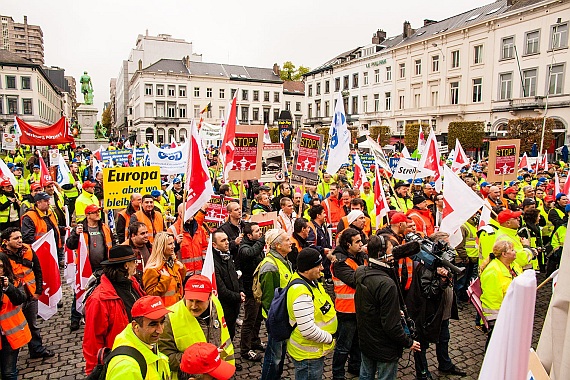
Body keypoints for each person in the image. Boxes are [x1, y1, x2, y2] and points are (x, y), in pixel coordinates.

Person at [355, 235, 421, 380]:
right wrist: (408, 342)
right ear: (381, 254)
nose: (395, 254)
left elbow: (373, 305)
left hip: (366, 341)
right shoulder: (386, 284)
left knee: (365, 375)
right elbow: (391, 326)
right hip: (385, 347)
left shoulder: (361, 272)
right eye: (392, 250)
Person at [406, 232, 466, 379]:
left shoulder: (443, 262)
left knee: (444, 338)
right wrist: (441, 279)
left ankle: (445, 364)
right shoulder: (426, 267)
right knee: (422, 345)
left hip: (442, 313)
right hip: (428, 314)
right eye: (446, 243)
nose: (449, 247)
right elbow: (428, 292)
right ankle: (423, 373)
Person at [82, 245, 145, 375]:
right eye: (135, 261)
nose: (137, 264)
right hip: (118, 361)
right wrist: (94, 372)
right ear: (126, 265)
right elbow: (92, 340)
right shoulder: (99, 299)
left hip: (138, 351)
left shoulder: (131, 281)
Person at [158, 275, 235, 380]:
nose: (194, 306)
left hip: (219, 372)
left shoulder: (216, 304)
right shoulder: (170, 318)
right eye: (190, 300)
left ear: (210, 297)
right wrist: (198, 361)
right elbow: (165, 356)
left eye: (199, 301)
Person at [1, 227, 54, 359]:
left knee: (32, 324)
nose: (20, 240)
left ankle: (36, 348)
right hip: (12, 298)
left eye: (20, 237)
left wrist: (38, 291)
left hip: (30, 294)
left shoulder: (28, 250)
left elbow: (38, 269)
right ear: (6, 241)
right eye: (16, 238)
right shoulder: (2, 257)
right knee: (13, 327)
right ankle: (11, 359)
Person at [287, 248, 337, 380]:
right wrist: (330, 339)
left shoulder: (311, 281)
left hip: (312, 352)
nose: (322, 268)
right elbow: (308, 330)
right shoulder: (301, 292)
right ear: (308, 269)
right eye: (318, 265)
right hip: (308, 355)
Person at [66, 204, 115, 331]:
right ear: (87, 215)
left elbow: (112, 244)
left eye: (98, 212)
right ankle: (75, 318)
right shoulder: (80, 228)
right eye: (94, 212)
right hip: (86, 267)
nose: (97, 214)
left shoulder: (104, 227)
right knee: (81, 292)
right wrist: (76, 235)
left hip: (103, 266)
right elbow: (70, 245)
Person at [105, 295, 171, 379]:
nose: (160, 330)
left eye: (162, 322)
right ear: (135, 326)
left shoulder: (146, 341)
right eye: (153, 324)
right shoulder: (126, 368)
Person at [331, 228, 365, 380]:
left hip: (358, 308)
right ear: (347, 244)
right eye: (357, 242)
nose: (361, 244)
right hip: (346, 310)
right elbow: (354, 280)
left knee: (357, 342)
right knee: (343, 346)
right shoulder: (339, 261)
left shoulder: (358, 256)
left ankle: (355, 366)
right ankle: (338, 374)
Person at [260, 229, 294, 380]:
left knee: (279, 353)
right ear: (278, 246)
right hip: (276, 319)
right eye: (287, 240)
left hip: (284, 316)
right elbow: (268, 299)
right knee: (274, 356)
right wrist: (274, 320)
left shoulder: (284, 260)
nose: (290, 242)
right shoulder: (270, 267)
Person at [480, 240, 520, 348]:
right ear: (504, 254)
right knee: (495, 344)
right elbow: (492, 299)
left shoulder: (513, 265)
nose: (515, 252)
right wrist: (496, 321)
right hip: (500, 316)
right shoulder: (492, 272)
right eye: (512, 250)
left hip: (511, 311)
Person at [0, 251, 31, 380]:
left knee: (9, 372)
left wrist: (8, 287)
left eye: (1, 266)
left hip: (10, 335)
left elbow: (20, 298)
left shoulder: (13, 281)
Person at [237, 222, 266, 362]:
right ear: (249, 235)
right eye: (257, 231)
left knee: (258, 318)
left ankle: (255, 340)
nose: (260, 233)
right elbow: (251, 253)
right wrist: (263, 240)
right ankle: (245, 349)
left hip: (258, 288)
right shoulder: (244, 248)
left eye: (260, 231)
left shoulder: (256, 245)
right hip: (250, 291)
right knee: (249, 320)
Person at [211, 230, 244, 341]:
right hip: (224, 306)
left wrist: (240, 290)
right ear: (214, 245)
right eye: (223, 240)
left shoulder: (227, 255)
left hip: (234, 304)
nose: (227, 242)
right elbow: (221, 290)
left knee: (231, 333)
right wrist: (238, 297)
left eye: (227, 239)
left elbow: (235, 276)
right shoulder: (214, 263)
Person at [143, 232, 186, 307]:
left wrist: (182, 269)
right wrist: (164, 280)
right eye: (170, 244)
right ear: (161, 246)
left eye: (173, 243)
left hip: (176, 309)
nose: (173, 246)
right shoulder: (152, 269)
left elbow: (179, 283)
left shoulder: (172, 264)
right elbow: (151, 296)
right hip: (164, 313)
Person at [169, 203, 208, 278]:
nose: (191, 213)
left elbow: (205, 247)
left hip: (199, 273)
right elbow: (167, 252)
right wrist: (176, 243)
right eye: (187, 211)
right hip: (182, 274)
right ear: (180, 213)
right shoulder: (173, 230)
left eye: (192, 210)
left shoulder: (199, 228)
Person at [306, 204, 332, 282]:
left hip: (326, 265)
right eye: (323, 213)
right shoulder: (311, 228)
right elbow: (309, 246)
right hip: (317, 266)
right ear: (318, 215)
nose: (325, 215)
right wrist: (322, 250)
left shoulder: (323, 226)